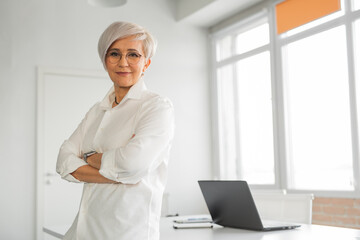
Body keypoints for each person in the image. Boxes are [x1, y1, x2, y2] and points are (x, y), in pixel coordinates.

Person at [56, 21, 175, 240]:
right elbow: (63, 162)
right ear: (105, 61)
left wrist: (88, 157)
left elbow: (133, 163)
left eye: (133, 55)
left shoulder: (156, 107)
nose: (123, 63)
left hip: (126, 233)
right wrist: (120, 175)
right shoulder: (97, 110)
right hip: (82, 232)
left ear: (146, 63)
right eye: (114, 54)